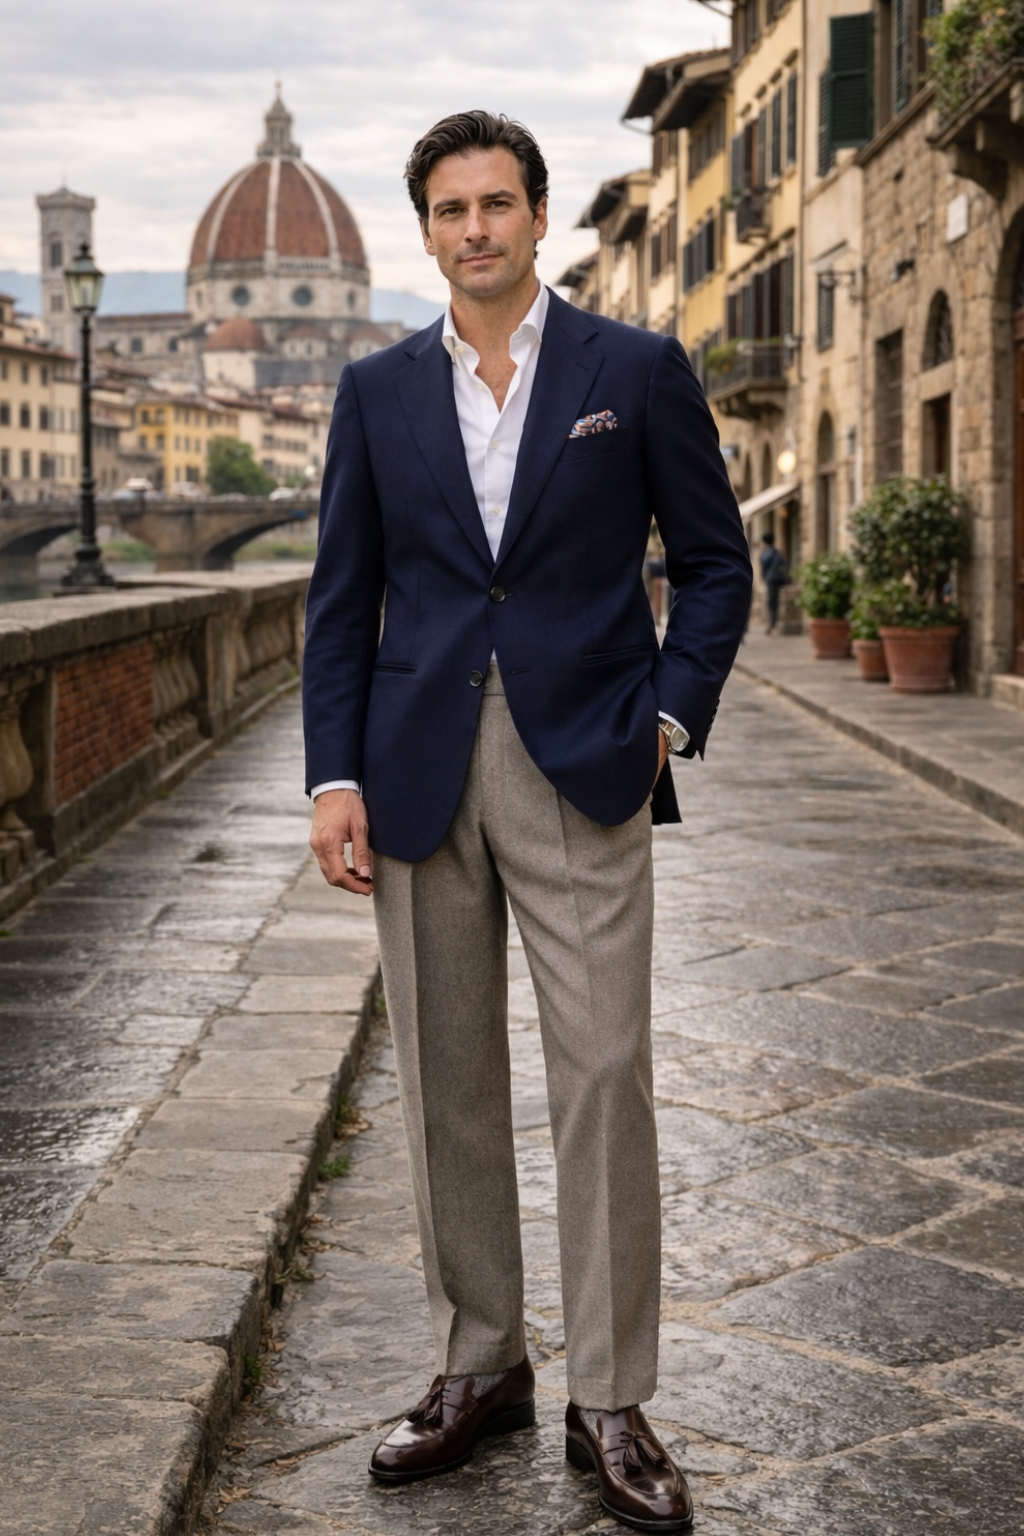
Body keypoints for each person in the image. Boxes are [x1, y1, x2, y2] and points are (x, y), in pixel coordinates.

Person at [303, 110, 752, 1534]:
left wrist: (669, 720)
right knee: (444, 1080)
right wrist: (332, 777)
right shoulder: (375, 394)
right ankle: (480, 1361)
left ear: (540, 217)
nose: (478, 228)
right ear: (425, 230)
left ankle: (611, 1397)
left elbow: (716, 566)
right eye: (452, 209)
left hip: (587, 761)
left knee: (605, 1070)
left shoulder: (635, 368)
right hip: (417, 761)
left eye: (500, 203)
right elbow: (338, 602)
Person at [759, 529, 789, 634]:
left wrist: (764, 578)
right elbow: (785, 564)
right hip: (779, 579)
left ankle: (772, 623)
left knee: (772, 601)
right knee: (775, 601)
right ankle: (774, 622)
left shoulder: (766, 553)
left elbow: (764, 566)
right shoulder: (778, 552)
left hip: (771, 579)